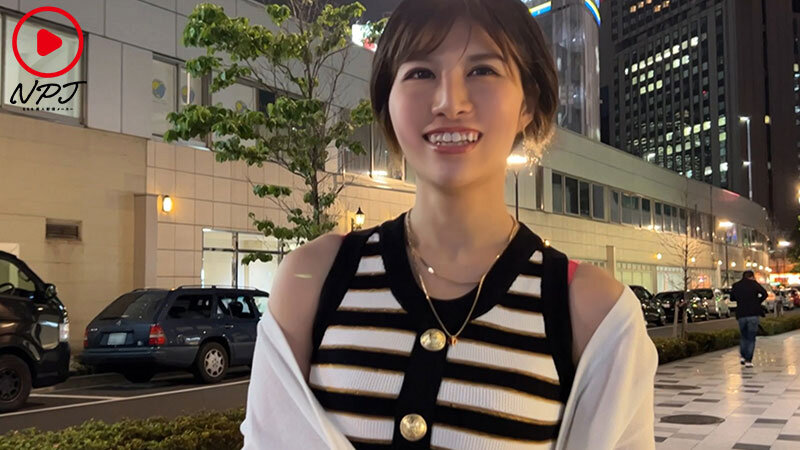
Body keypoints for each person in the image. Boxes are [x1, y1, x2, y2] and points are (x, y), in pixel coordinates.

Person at [240, 0, 658, 448]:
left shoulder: (591, 313)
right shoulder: (314, 278)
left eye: (483, 70)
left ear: (528, 102)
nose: (449, 103)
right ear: (387, 100)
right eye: (420, 72)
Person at [731, 270, 768, 368]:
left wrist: (740, 299)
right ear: (751, 277)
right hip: (753, 314)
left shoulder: (736, 285)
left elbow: (732, 298)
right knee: (751, 338)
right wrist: (757, 301)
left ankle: (743, 356)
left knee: (743, 336)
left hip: (741, 314)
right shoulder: (754, 284)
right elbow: (764, 294)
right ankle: (748, 360)